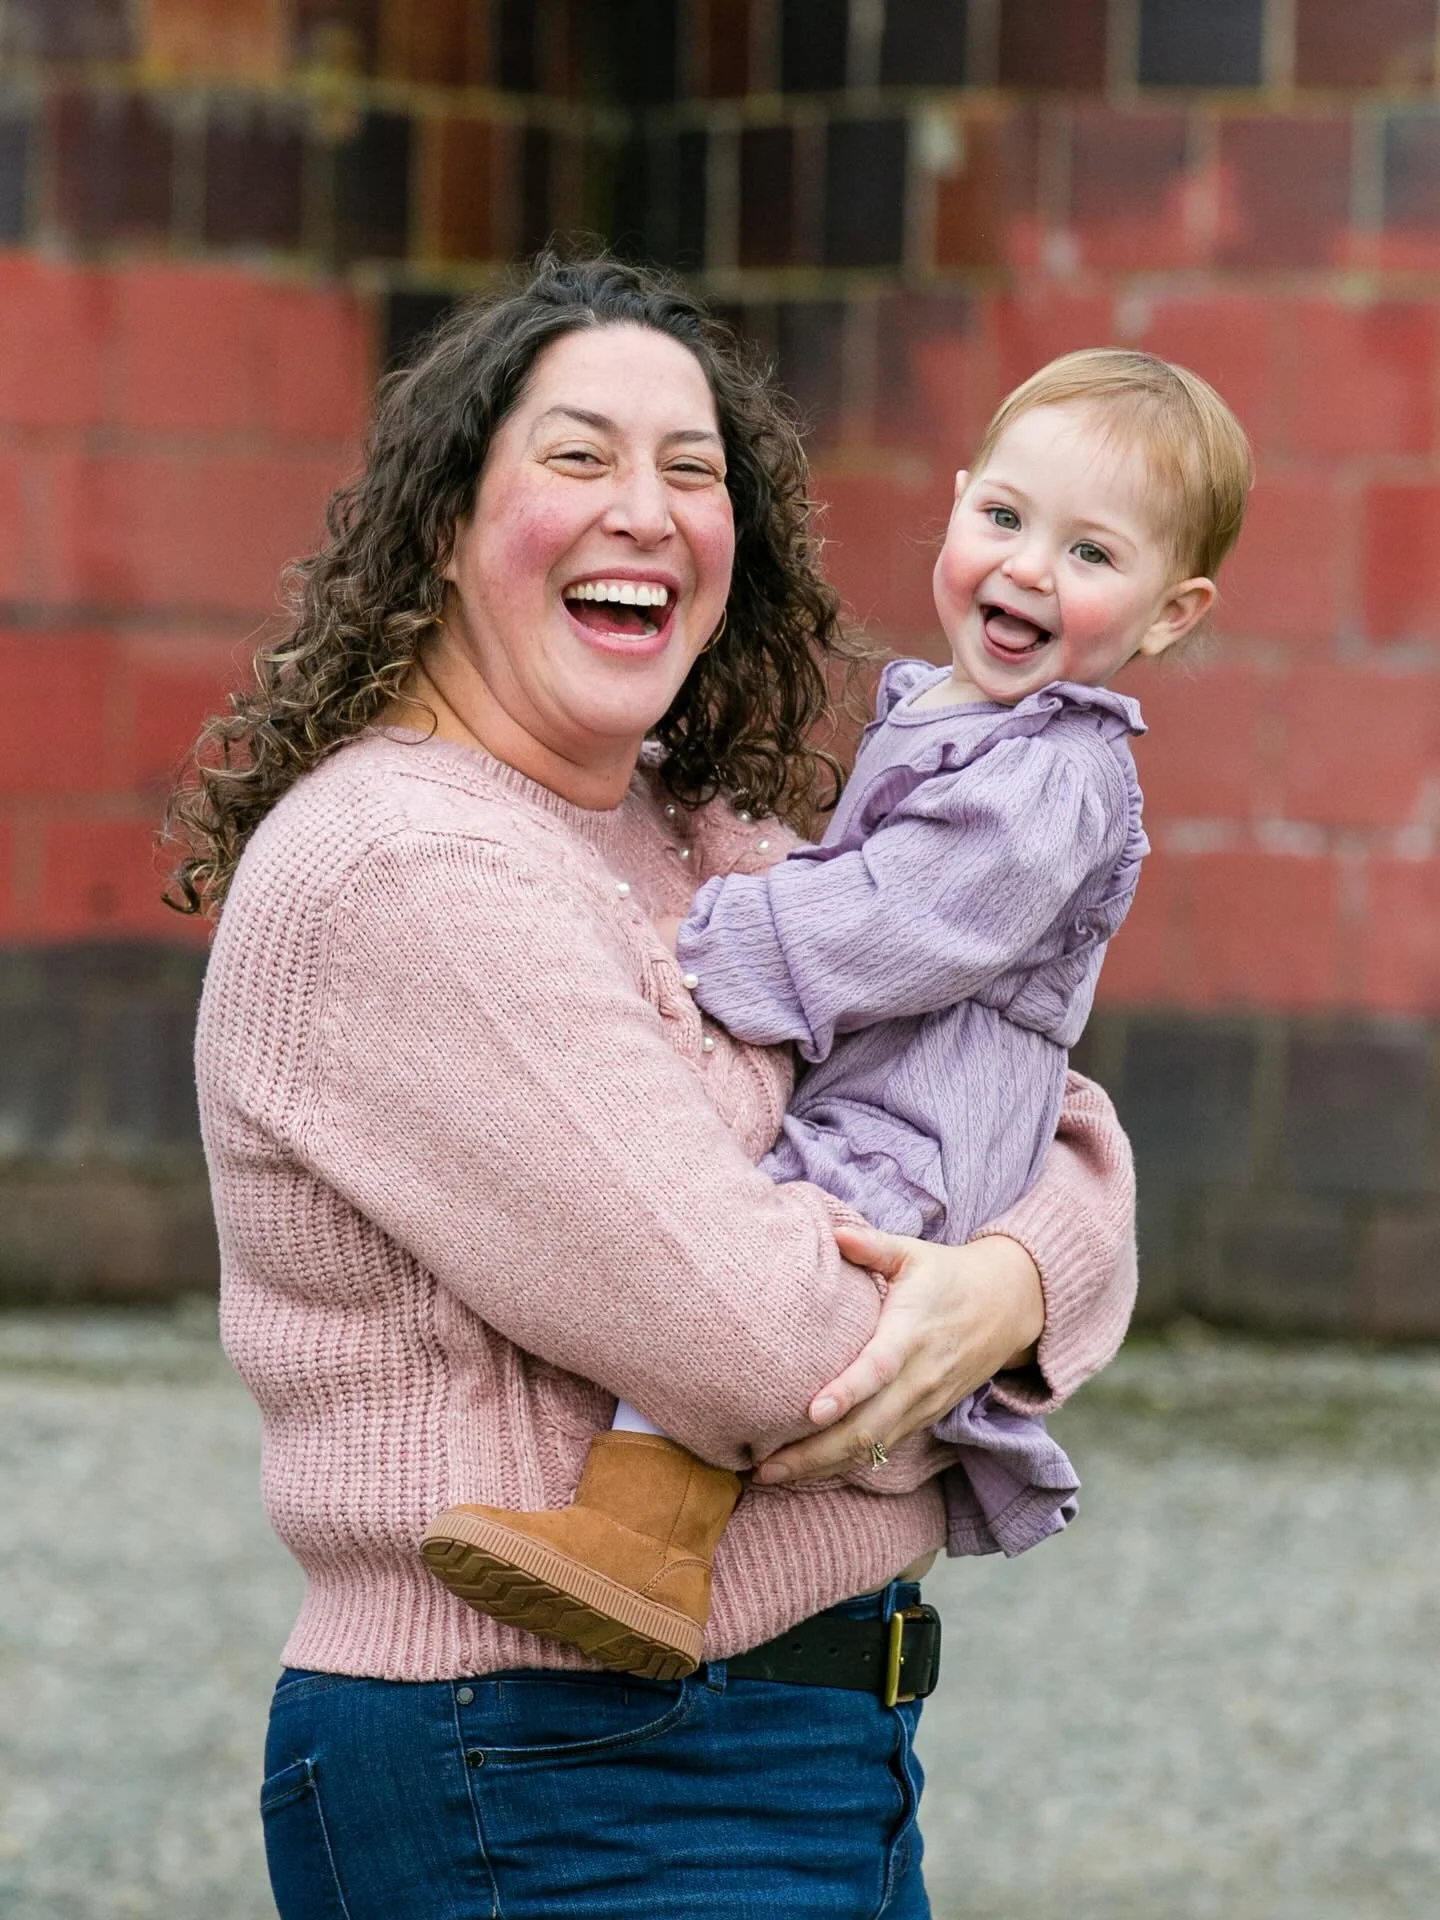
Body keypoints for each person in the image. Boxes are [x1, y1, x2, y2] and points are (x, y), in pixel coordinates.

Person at [172, 254, 1140, 1920]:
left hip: (801, 1750)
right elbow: (765, 1346)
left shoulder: (707, 839)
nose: (648, 508)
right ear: (441, 533)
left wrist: (1001, 1283)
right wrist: (990, 1285)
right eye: (576, 458)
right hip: (548, 1770)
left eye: (693, 471)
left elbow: (1049, 1121)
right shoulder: (406, 869)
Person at [420, 348, 1253, 1678]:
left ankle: (640, 1541)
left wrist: (705, 943)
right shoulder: (963, 714)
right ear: (963, 500)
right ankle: (643, 1538)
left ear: (1171, 610)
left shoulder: (1058, 772)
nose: (1029, 569)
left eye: (1091, 554)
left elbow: (903, 922)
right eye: (1005, 520)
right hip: (902, 1071)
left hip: (927, 1107)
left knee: (814, 1229)